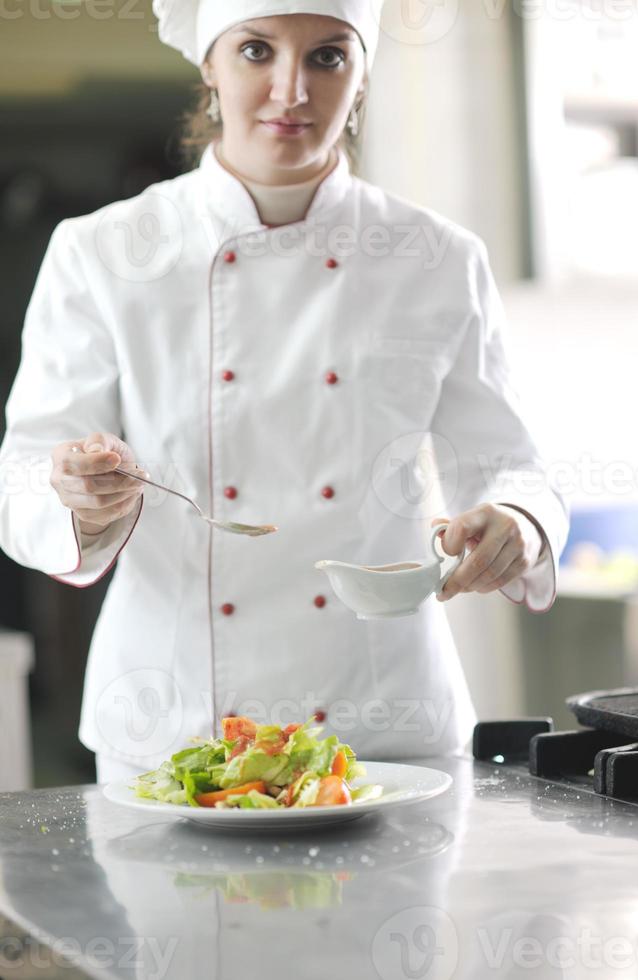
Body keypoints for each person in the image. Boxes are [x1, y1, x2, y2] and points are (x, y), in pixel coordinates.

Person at [0, 0, 569, 784]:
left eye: (328, 57)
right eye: (258, 51)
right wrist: (77, 496)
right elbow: (25, 473)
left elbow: (512, 466)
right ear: (209, 64)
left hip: (384, 734)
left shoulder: (438, 258)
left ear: (363, 73)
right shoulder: (102, 251)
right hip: (177, 730)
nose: (291, 90)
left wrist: (519, 522)